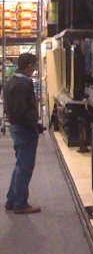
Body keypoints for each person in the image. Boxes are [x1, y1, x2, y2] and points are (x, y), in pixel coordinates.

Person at [4, 53, 45, 214]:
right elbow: (22, 110)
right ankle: (20, 203)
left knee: (20, 165)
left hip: (18, 127)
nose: (35, 68)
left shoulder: (11, 82)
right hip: (24, 129)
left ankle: (12, 200)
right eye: (34, 65)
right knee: (25, 167)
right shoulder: (23, 84)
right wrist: (33, 125)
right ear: (28, 65)